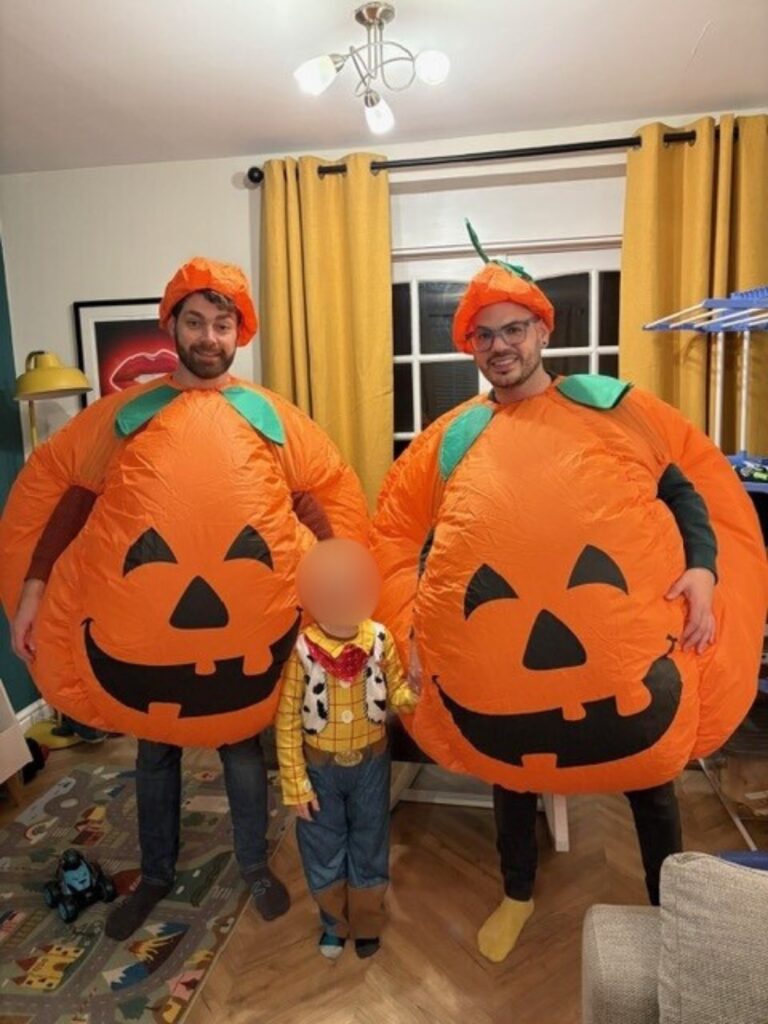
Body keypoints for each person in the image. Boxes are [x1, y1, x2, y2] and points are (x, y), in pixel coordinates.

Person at [370, 227, 760, 965]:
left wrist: (704, 570)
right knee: (512, 765)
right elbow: (397, 535)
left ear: (543, 330)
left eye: (513, 329)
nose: (500, 346)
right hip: (503, 657)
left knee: (650, 769)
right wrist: (409, 624)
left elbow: (688, 491)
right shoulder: (454, 439)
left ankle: (667, 904)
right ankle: (518, 891)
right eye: (484, 335)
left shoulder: (612, 413)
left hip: (620, 644)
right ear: (470, 347)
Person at [3, 258, 369, 941]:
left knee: (241, 751)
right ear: (172, 325)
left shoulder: (266, 418)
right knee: (154, 753)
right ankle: (157, 872)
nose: (208, 336)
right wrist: (34, 589)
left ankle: (253, 864)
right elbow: (72, 500)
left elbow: (310, 499)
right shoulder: (129, 418)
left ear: (239, 332)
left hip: (240, 634)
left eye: (221, 324)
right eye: (195, 322)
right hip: (150, 641)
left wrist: (345, 583)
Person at [275, 539, 418, 960]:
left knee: (371, 838)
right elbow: (287, 719)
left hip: (371, 762)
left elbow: (398, 696)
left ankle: (367, 920)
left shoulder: (380, 639)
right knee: (322, 842)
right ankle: (334, 923)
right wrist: (295, 783)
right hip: (319, 768)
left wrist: (417, 688)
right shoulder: (302, 650)